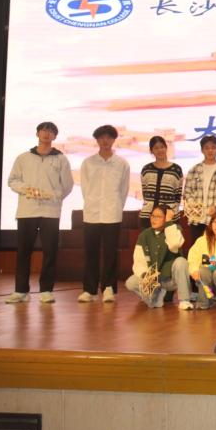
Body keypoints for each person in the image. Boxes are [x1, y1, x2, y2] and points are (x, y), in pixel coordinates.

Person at [5, 121, 74, 304]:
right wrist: (27, 189)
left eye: (50, 131)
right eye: (43, 130)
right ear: (37, 134)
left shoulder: (61, 159)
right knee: (23, 252)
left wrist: (53, 196)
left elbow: (67, 185)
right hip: (27, 211)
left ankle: (46, 290)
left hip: (50, 212)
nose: (46, 134)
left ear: (55, 136)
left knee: (50, 252)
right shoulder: (23, 158)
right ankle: (21, 290)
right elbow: (12, 181)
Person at [79, 124, 130, 303]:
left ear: (114, 140)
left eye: (109, 137)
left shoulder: (122, 163)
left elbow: (123, 190)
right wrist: (91, 203)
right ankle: (90, 290)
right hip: (92, 213)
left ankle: (109, 288)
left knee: (110, 253)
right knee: (90, 253)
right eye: (101, 137)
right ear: (97, 140)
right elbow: (85, 188)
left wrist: (116, 206)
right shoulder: (88, 162)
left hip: (112, 213)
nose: (105, 141)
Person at [124, 205, 189, 308]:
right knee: (131, 282)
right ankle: (155, 296)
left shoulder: (174, 228)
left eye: (158, 216)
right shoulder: (144, 235)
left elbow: (174, 244)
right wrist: (146, 276)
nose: (154, 219)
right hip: (153, 279)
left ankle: (184, 300)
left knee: (181, 261)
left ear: (166, 218)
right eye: (152, 216)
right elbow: (139, 260)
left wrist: (169, 222)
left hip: (170, 280)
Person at [183, 135, 216, 243]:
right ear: (202, 150)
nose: (210, 150)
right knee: (197, 249)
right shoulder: (194, 170)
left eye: (213, 147)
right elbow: (187, 193)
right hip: (196, 219)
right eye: (207, 148)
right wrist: (195, 207)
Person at [138, 136, 182, 228]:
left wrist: (173, 211)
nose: (160, 150)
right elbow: (145, 192)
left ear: (166, 148)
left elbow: (178, 194)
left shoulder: (176, 169)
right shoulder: (146, 169)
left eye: (162, 147)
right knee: (148, 237)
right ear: (151, 151)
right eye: (156, 148)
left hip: (169, 216)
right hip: (148, 215)